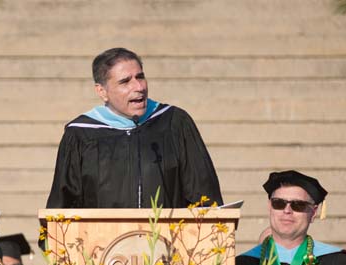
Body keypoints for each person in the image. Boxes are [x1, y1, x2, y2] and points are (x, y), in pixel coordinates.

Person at [45, 47, 223, 209]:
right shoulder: (81, 134)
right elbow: (63, 206)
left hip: (169, 242)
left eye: (140, 77)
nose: (138, 87)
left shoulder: (174, 123)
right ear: (102, 91)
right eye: (125, 81)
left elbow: (204, 195)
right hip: (102, 243)